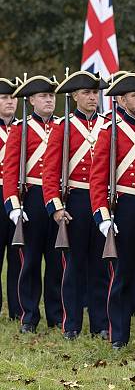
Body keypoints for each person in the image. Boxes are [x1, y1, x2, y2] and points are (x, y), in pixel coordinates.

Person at [89, 72, 135, 350]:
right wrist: (103, 215)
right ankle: (118, 334)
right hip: (125, 206)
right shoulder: (110, 129)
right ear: (121, 100)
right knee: (121, 274)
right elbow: (98, 178)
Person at [42, 71, 110, 341]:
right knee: (73, 267)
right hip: (76, 201)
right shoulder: (63, 126)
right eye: (86, 93)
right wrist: (56, 207)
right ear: (74, 96)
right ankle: (71, 324)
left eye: (95, 92)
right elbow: (50, 171)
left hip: (102, 201)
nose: (92, 97)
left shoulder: (108, 125)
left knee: (101, 266)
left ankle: (100, 323)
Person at [3, 75, 62, 333]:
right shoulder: (21, 129)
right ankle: (28, 314)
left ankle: (56, 314)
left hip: (59, 198)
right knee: (30, 260)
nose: (48, 100)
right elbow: (10, 172)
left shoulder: (63, 127)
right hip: (32, 198)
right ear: (31, 100)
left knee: (56, 259)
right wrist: (14, 205)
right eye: (43, 96)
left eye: (51, 96)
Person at [0, 78, 21, 320]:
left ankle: (18, 309)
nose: (9, 102)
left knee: (18, 255)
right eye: (4, 97)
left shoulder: (23, 128)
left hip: (16, 194)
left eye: (12, 97)